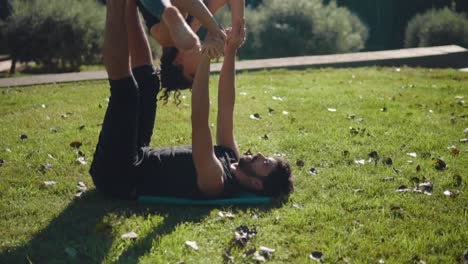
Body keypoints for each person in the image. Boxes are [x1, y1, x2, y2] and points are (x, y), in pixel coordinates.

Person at [89, 0, 293, 200]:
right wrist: (230, 51)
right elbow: (226, 106)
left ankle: (115, 5)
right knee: (149, 83)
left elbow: (200, 122)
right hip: (137, 154)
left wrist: (205, 57)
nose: (259, 155)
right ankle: (128, 6)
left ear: (257, 183)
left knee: (127, 93)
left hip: (117, 176)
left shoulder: (215, 181)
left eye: (265, 164)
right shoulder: (231, 156)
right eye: (266, 157)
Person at [136, 0, 245, 103]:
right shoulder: (193, 26)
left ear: (178, 61)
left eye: (194, 74)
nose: (201, 72)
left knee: (171, 30)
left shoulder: (164, 38)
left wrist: (215, 30)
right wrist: (237, 28)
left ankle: (170, 13)